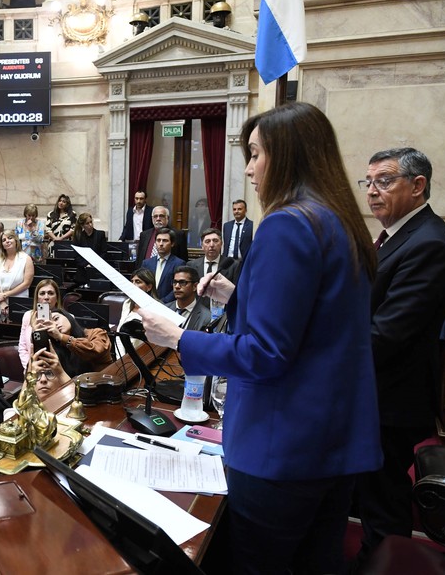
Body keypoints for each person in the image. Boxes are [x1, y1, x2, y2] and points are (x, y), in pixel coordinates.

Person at [138, 102, 383, 574]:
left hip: (281, 443)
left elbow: (267, 353)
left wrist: (179, 337)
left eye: (255, 154)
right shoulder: (336, 220)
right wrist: (237, 296)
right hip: (331, 438)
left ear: (288, 154)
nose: (248, 169)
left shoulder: (286, 224)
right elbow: (316, 324)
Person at [353, 147, 445, 566]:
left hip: (392, 398)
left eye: (384, 181)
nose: (372, 191)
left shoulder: (429, 242)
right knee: (372, 491)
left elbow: (387, 333)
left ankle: (383, 565)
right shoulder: (400, 235)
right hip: (379, 391)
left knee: (384, 498)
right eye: (368, 182)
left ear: (418, 186)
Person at [34, 309, 112, 378]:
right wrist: (38, 335)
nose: (55, 325)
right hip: (70, 385)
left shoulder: (96, 333)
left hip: (101, 382)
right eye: (51, 323)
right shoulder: (53, 345)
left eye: (56, 319)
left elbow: (96, 350)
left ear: (68, 317)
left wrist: (61, 337)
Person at [0, 229, 33, 321]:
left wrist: (5, 295)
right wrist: (1, 302)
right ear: (2, 245)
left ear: (16, 240)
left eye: (10, 238)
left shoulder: (26, 259)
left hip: (18, 302)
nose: (7, 241)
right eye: (4, 240)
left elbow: (26, 283)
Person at [18, 279, 63, 369]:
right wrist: (30, 367)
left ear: (57, 298)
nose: (46, 297)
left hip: (58, 369)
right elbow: (22, 348)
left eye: (50, 293)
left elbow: (68, 351)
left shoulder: (67, 318)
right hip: (33, 368)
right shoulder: (28, 316)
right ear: (37, 298)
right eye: (42, 293)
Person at [114, 268, 158, 360]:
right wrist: (121, 358)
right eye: (132, 281)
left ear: (149, 287)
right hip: (122, 356)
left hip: (142, 357)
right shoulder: (127, 303)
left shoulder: (155, 309)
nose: (133, 285)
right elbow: (120, 331)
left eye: (138, 282)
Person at [140, 228, 185, 304]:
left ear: (172, 243)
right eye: (158, 240)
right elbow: (142, 284)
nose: (161, 244)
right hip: (147, 303)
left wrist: (162, 302)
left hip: (168, 305)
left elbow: (178, 287)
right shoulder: (147, 263)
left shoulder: (179, 263)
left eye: (165, 241)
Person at [165, 265, 211, 331]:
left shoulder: (206, 317)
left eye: (182, 282)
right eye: (175, 282)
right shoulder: (165, 309)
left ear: (195, 286)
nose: (177, 286)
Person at [72, 212, 108, 287]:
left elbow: (104, 253)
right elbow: (76, 256)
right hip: (83, 270)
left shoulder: (100, 234)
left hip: (97, 269)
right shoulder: (79, 236)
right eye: (87, 223)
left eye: (91, 222)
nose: (90, 225)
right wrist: (86, 264)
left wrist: (93, 264)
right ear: (82, 225)